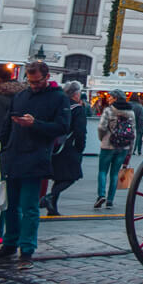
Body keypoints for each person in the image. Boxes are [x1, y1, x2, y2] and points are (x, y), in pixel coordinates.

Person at [0, 61, 69, 267]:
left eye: (37, 82)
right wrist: (3, 147)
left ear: (46, 77)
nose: (34, 85)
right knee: (9, 205)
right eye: (30, 82)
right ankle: (10, 243)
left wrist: (35, 124)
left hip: (35, 156)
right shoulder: (20, 96)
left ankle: (26, 249)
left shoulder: (58, 98)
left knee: (29, 206)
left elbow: (62, 126)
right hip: (13, 155)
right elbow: (6, 125)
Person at [42, 81, 86, 216]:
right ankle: (49, 197)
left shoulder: (59, 105)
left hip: (54, 145)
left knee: (59, 177)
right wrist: (80, 147)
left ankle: (52, 208)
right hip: (69, 146)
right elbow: (80, 131)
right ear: (76, 94)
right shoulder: (77, 109)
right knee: (72, 176)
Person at [0, 65, 28, 247]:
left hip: (4, 149)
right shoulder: (22, 97)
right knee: (7, 197)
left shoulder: (1, 98)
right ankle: (8, 236)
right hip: (18, 149)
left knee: (5, 194)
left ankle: (3, 234)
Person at [95, 90, 135, 209]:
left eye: (111, 97)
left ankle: (101, 195)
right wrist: (130, 150)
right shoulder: (130, 112)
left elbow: (101, 127)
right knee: (115, 173)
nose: (109, 99)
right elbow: (134, 132)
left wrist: (103, 138)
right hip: (123, 147)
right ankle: (110, 200)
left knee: (102, 171)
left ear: (116, 98)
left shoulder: (109, 110)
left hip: (108, 145)